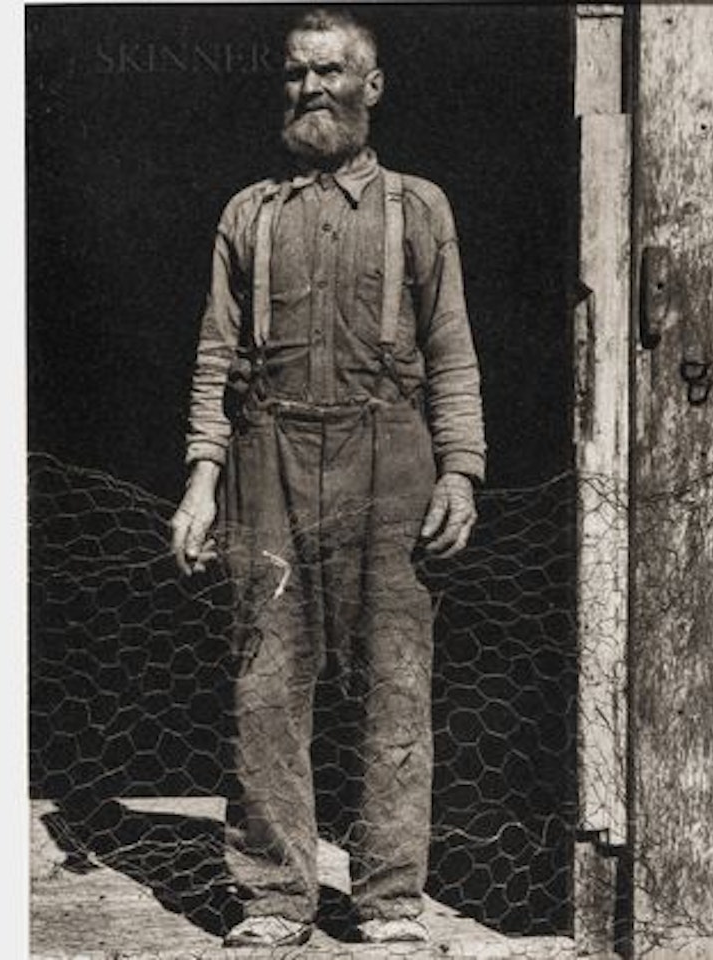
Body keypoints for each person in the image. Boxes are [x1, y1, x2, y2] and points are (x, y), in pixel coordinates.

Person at [170, 7, 485, 949]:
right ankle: (274, 899)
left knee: (396, 682)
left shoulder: (418, 209)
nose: (312, 88)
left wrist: (460, 473)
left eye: (332, 71)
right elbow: (213, 361)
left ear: (372, 86)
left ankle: (388, 903)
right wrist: (199, 482)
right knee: (265, 684)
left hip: (392, 457)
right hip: (266, 458)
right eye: (297, 73)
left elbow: (454, 355)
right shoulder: (248, 215)